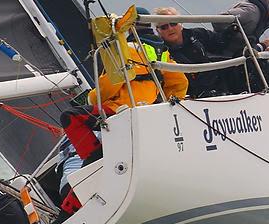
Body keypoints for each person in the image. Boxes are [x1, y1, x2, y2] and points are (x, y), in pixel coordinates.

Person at [60, 27, 188, 165]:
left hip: (119, 110)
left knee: (70, 116)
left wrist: (91, 98)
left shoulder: (124, 52)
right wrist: (165, 107)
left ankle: (96, 159)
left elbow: (109, 86)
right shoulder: (162, 53)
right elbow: (180, 82)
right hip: (147, 111)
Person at [153, 6, 230, 97]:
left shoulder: (198, 34)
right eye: (164, 27)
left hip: (218, 90)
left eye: (173, 23)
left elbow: (222, 41)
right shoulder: (159, 51)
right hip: (187, 98)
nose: (170, 28)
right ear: (158, 31)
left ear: (180, 23)